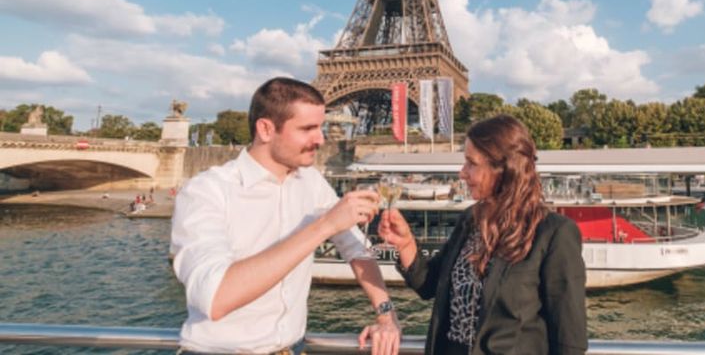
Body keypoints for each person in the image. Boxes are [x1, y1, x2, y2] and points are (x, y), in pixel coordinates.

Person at [171, 78, 401, 354]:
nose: (321, 139)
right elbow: (216, 298)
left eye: (321, 127)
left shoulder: (311, 182)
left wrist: (387, 316)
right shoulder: (207, 191)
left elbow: (357, 250)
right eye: (308, 129)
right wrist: (324, 226)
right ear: (266, 129)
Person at [379, 114, 587, 355]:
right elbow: (429, 284)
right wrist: (405, 244)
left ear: (503, 169)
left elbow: (569, 339)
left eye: (471, 163)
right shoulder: (470, 219)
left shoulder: (554, 233)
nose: (462, 173)